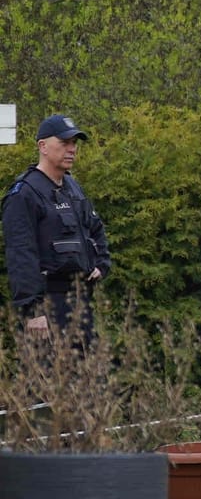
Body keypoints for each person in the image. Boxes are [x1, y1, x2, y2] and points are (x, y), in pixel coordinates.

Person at [3, 115, 111, 339]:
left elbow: (95, 227)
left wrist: (102, 263)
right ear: (43, 146)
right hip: (48, 305)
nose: (72, 149)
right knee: (51, 373)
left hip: (80, 299)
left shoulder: (71, 186)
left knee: (88, 372)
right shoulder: (25, 193)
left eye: (74, 143)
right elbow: (21, 254)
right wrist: (33, 310)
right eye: (64, 143)